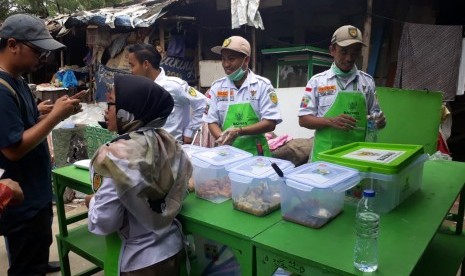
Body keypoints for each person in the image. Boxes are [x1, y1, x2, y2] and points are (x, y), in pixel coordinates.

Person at [85, 75, 192, 275]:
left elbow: (105, 222)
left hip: (140, 262)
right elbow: (181, 190)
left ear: (129, 110)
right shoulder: (167, 142)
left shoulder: (115, 157)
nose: (105, 110)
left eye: (111, 104)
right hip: (173, 248)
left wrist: (91, 202)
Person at [0, 14, 82, 275]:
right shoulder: (1, 90)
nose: (41, 59)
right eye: (37, 51)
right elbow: (13, 149)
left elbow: (21, 123)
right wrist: (56, 117)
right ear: (13, 44)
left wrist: (41, 113)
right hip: (20, 196)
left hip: (35, 187)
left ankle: (39, 263)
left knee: (40, 238)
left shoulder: (19, 80)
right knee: (25, 256)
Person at [298, 25, 386, 161]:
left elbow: (375, 118)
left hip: (357, 158)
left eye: (355, 52)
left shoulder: (367, 82)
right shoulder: (317, 82)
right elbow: (303, 120)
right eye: (344, 52)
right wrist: (330, 121)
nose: (349, 58)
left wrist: (379, 122)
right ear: (332, 50)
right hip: (325, 158)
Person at [205, 35, 282, 156]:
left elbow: (270, 122)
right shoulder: (216, 88)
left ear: (246, 60)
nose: (226, 64)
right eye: (223, 59)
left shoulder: (262, 86)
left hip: (257, 155)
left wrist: (239, 131)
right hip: (228, 154)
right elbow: (211, 121)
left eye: (231, 59)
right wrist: (223, 139)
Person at [127, 43, 207, 144]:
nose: (131, 71)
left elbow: (203, 103)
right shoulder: (140, 90)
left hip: (173, 151)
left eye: (132, 65)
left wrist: (189, 132)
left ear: (146, 64)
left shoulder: (174, 86)